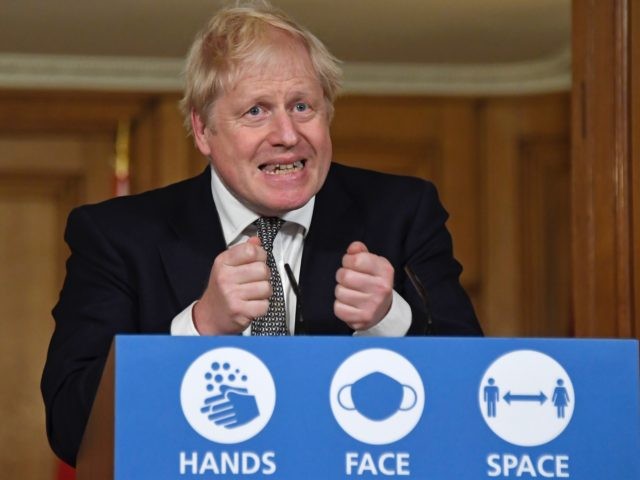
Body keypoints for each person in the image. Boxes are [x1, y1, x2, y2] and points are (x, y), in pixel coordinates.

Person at [41, 0, 482, 466]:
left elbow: (474, 400)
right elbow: (73, 428)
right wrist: (199, 328)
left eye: (302, 106)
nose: (287, 134)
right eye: (256, 110)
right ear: (203, 130)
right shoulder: (117, 236)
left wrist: (391, 319)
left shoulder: (402, 213)